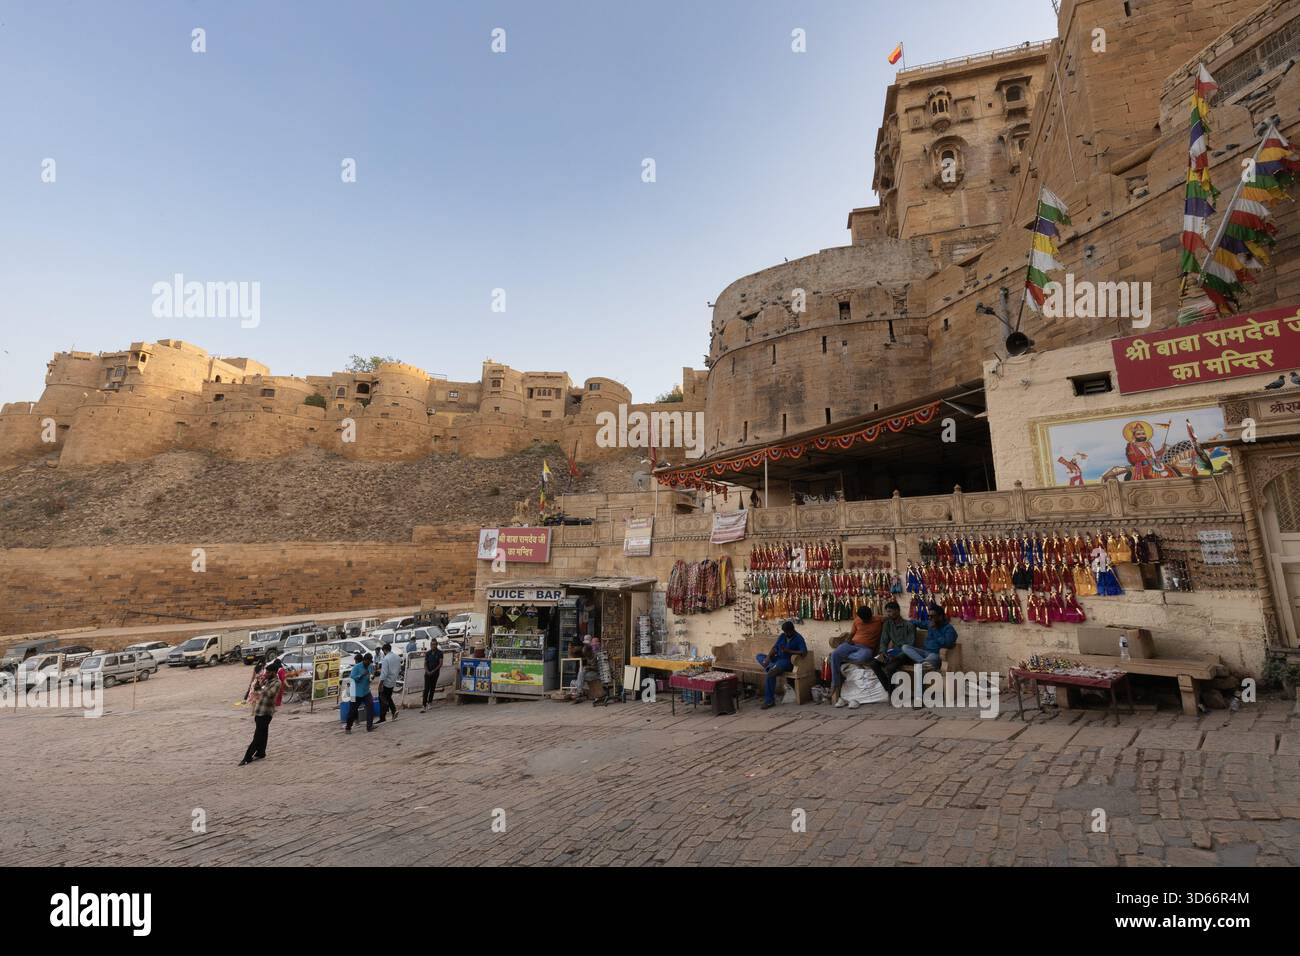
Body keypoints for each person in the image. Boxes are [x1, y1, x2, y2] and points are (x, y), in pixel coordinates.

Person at [830, 606, 883, 708]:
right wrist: (848, 640)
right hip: (852, 645)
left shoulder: (879, 619)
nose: (864, 621)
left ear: (871, 615)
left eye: (867, 619)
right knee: (835, 654)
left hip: (866, 648)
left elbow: (891, 617)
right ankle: (835, 683)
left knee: (863, 657)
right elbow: (851, 634)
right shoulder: (857, 620)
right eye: (863, 619)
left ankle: (845, 658)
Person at [757, 619, 807, 709]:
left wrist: (789, 651)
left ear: (792, 630)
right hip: (777, 659)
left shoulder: (799, 638)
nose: (786, 633)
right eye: (785, 632)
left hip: (787, 661)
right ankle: (771, 666)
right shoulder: (782, 636)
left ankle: (769, 701)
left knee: (770, 674)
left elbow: (804, 652)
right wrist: (768, 658)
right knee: (759, 656)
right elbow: (775, 648)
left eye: (787, 632)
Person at [239, 665, 281, 765]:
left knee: (257, 735)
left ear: (274, 672)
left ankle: (247, 757)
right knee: (263, 733)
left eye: (268, 672)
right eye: (266, 672)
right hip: (259, 711)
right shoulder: (267, 681)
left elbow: (270, 694)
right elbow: (258, 693)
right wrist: (258, 685)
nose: (266, 674)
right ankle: (261, 752)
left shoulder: (277, 682)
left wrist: (262, 687)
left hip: (266, 712)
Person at [901, 602, 958, 669]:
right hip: (924, 652)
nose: (930, 618)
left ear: (940, 617)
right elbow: (919, 623)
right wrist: (905, 622)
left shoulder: (948, 629)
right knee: (905, 647)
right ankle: (923, 663)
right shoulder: (930, 623)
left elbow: (948, 644)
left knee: (927, 662)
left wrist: (935, 630)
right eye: (929, 616)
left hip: (935, 654)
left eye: (932, 616)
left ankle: (923, 663)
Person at [346, 652, 375, 734]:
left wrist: (372, 677)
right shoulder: (356, 667)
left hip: (366, 691)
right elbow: (352, 679)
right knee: (352, 710)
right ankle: (348, 728)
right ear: (364, 660)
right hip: (355, 692)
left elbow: (371, 676)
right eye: (367, 662)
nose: (368, 664)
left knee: (370, 707)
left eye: (370, 662)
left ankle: (369, 726)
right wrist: (361, 675)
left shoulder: (370, 666)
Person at [378, 643, 401, 722]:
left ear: (384, 650)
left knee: (382, 699)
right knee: (388, 697)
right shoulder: (397, 657)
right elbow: (399, 669)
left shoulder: (386, 659)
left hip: (386, 682)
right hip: (393, 680)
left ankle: (382, 718)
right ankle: (394, 711)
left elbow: (384, 673)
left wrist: (380, 684)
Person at [421, 641, 444, 712]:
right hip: (427, 673)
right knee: (426, 689)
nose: (432, 646)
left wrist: (433, 671)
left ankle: (430, 702)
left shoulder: (440, 653)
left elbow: (440, 664)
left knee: (432, 688)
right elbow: (425, 663)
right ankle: (424, 705)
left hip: (435, 673)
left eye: (434, 644)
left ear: (436, 645)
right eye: (431, 644)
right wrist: (427, 671)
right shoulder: (428, 653)